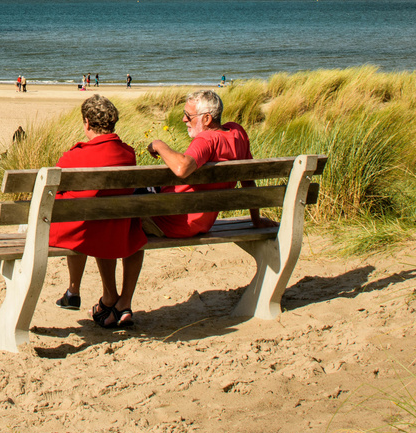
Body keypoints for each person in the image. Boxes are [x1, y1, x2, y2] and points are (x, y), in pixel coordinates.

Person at [49, 95, 148, 330]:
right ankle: (112, 300)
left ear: (87, 122)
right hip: (117, 228)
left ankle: (76, 289)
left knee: (79, 219)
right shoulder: (127, 154)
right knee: (105, 221)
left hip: (84, 231)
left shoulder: (74, 156)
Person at [144, 89, 267, 238]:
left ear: (207, 119)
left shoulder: (207, 140)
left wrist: (158, 144)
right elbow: (248, 182)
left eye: (188, 116)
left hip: (171, 221)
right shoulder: (238, 133)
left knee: (125, 200)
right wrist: (256, 221)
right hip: (202, 223)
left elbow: (181, 168)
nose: (184, 119)